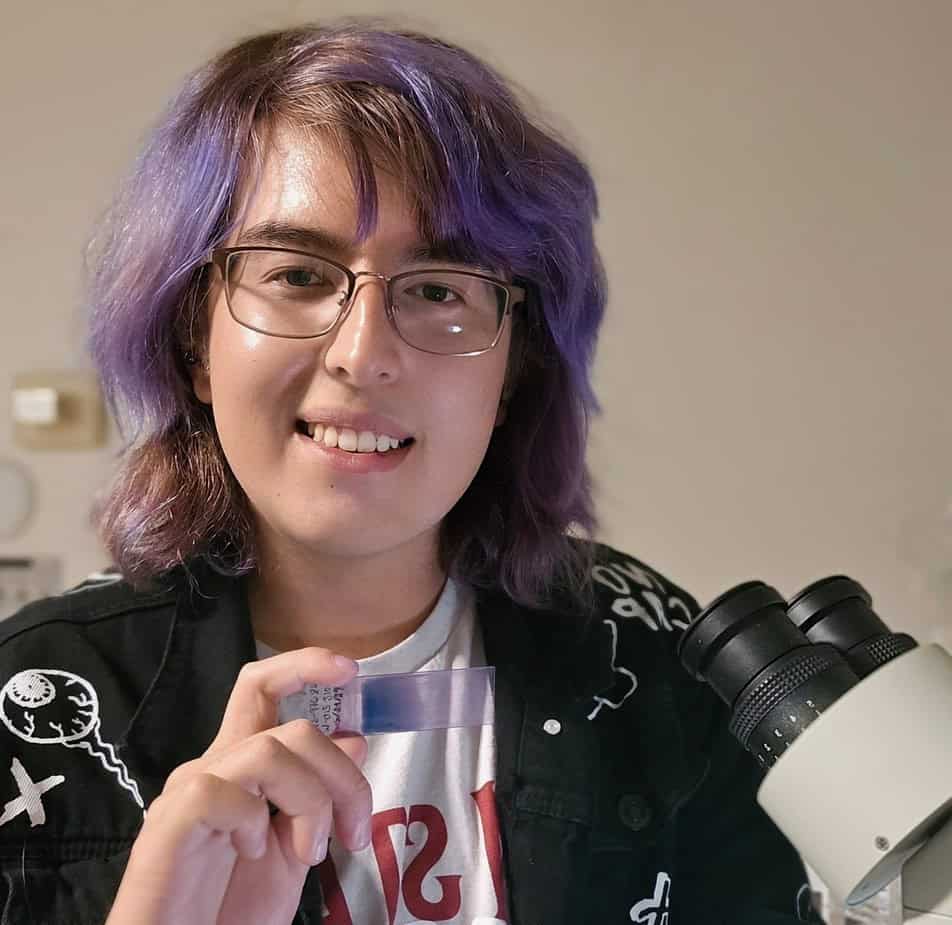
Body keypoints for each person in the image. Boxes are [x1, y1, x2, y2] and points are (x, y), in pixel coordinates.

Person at [0, 21, 823, 925]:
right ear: (197, 339)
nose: (363, 354)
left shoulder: (658, 657)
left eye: (438, 289)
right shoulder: (31, 692)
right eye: (297, 275)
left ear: (513, 370)